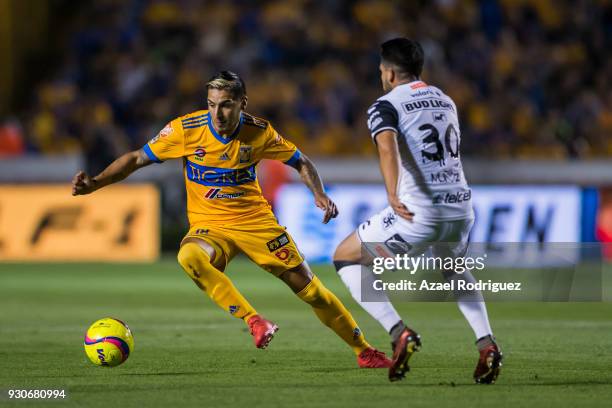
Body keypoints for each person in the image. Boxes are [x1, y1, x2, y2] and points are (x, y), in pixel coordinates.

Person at [71, 70, 391, 368]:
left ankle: (364, 351)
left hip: (256, 222)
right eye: (211, 105)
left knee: (312, 292)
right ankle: (254, 321)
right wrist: (97, 183)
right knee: (189, 256)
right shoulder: (186, 130)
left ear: (242, 103)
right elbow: (137, 158)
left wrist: (318, 194)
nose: (217, 114)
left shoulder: (260, 132)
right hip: (210, 226)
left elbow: (301, 161)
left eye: (226, 105)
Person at [332, 39, 503, 382]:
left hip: (418, 215)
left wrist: (392, 195)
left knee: (346, 257)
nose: (381, 75)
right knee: (453, 269)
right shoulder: (445, 98)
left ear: (390, 72)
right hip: (461, 209)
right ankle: (487, 343)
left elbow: (387, 147)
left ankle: (399, 333)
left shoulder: (385, 105)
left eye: (382, 70)